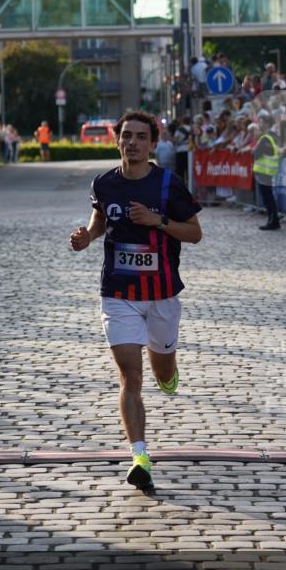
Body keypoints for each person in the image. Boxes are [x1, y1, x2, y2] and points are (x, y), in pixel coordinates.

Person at [69, 110, 203, 490]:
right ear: (118, 141)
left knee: (162, 374)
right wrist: (87, 238)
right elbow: (100, 223)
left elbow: (194, 234)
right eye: (126, 136)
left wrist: (157, 222)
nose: (132, 143)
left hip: (161, 294)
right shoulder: (104, 184)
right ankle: (140, 456)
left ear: (153, 143)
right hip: (118, 293)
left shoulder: (168, 185)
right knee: (130, 377)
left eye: (141, 137)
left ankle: (169, 372)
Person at [252, 113, 280, 230]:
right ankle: (274, 220)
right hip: (269, 171)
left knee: (267, 198)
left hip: (264, 171)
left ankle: (273, 221)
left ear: (267, 124)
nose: (260, 124)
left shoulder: (265, 138)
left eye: (261, 122)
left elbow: (256, 154)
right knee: (269, 197)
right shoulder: (273, 136)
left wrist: (254, 151)